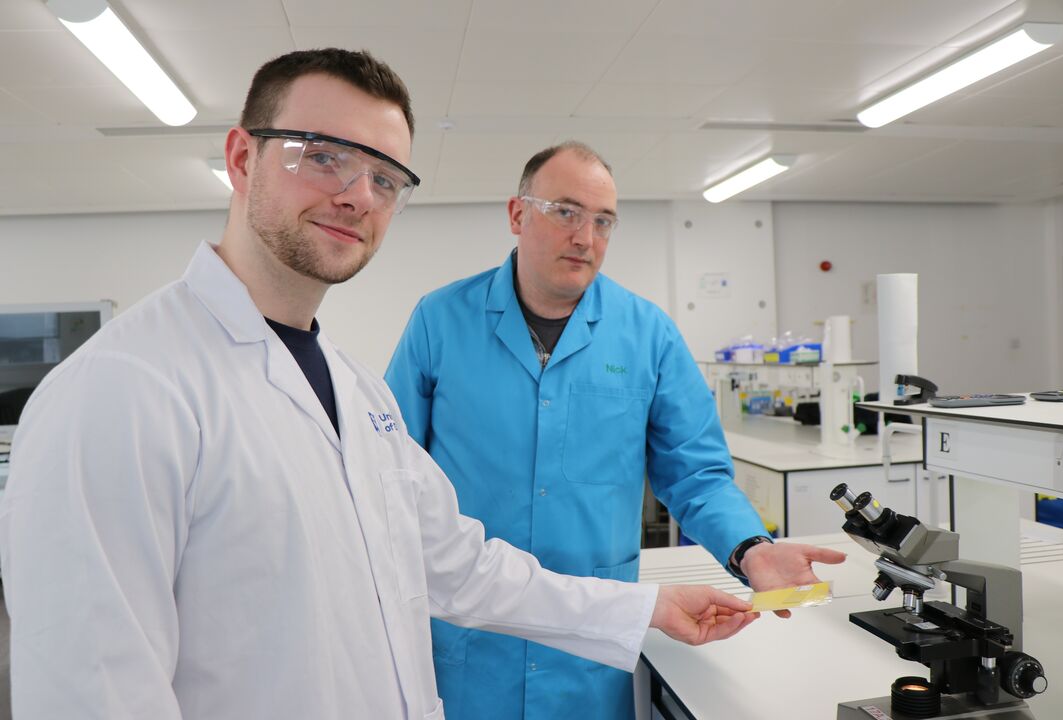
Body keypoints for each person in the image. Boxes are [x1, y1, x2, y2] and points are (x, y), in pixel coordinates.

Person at [0, 50, 762, 720]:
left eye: (385, 177)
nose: (360, 195)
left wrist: (651, 604)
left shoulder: (359, 397)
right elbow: (94, 696)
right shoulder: (116, 395)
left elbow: (462, 568)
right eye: (322, 155)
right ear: (241, 158)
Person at [385, 141, 847, 719]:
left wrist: (751, 548)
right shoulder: (440, 319)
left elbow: (696, 474)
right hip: (471, 642)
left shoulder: (648, 333)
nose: (585, 237)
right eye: (566, 212)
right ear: (517, 214)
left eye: (603, 221)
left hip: (592, 648)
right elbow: (392, 472)